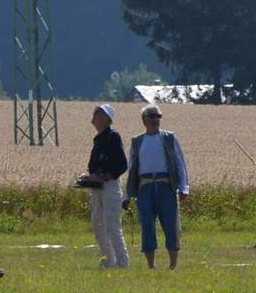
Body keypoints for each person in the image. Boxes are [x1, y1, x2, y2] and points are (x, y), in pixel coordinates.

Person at [126, 104, 190, 270]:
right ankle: (151, 265)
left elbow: (180, 163)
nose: (156, 119)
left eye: (158, 116)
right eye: (152, 116)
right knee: (147, 225)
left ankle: (173, 264)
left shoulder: (169, 138)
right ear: (144, 120)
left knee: (171, 224)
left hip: (166, 186)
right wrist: (128, 194)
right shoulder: (137, 141)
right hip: (145, 188)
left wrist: (184, 187)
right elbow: (132, 167)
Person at [81, 103, 129, 269]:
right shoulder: (98, 139)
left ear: (108, 119)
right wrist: (90, 176)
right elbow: (93, 164)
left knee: (112, 225)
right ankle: (108, 259)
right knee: (97, 224)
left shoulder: (113, 137)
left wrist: (104, 176)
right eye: (95, 113)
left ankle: (122, 262)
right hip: (97, 188)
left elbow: (122, 165)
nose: (95, 116)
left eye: (99, 114)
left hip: (110, 186)